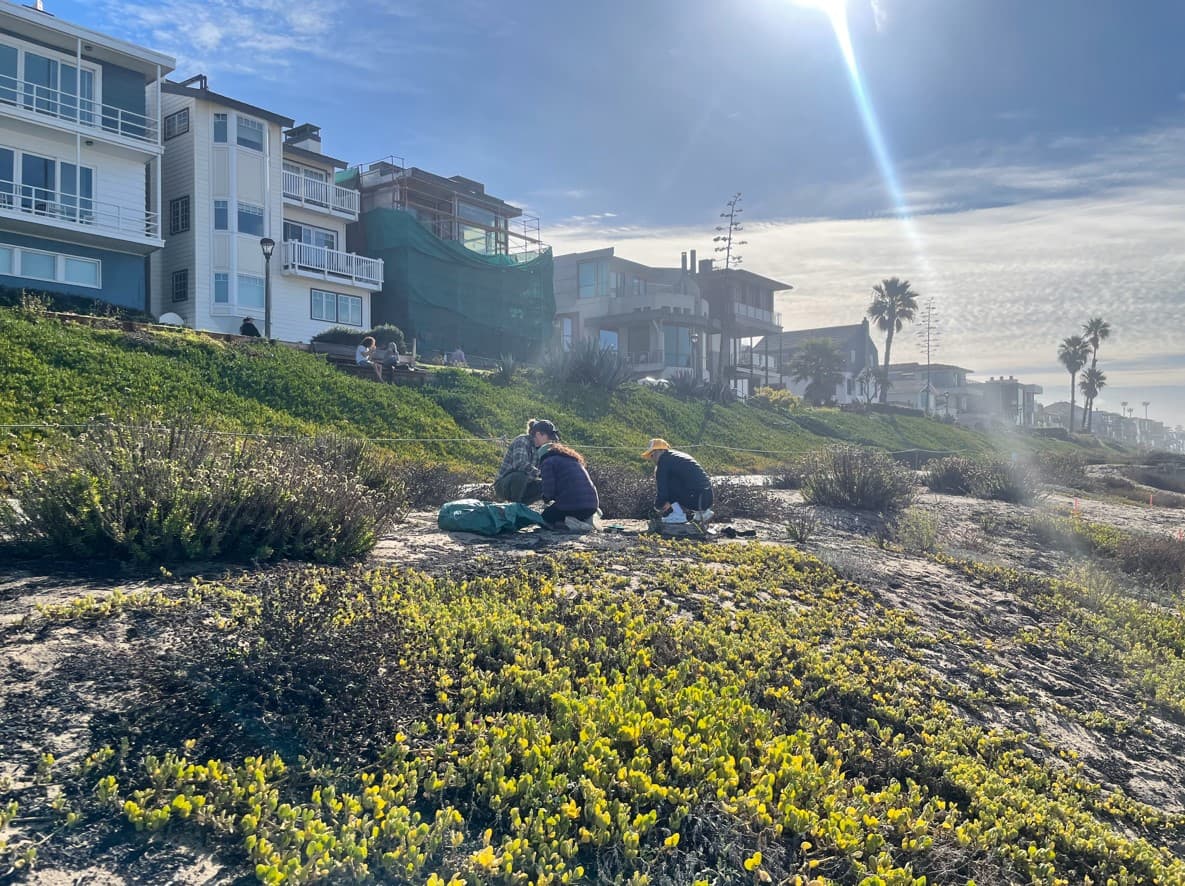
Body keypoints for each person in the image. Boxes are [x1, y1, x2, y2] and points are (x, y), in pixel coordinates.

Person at [535, 424, 599, 529]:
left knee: (545, 518)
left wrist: (545, 499)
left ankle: (568, 524)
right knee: (563, 508)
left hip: (573, 506)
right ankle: (579, 521)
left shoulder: (548, 462)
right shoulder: (572, 460)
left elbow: (549, 490)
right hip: (592, 507)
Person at [641, 438, 713, 524]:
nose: (652, 459)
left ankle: (679, 515)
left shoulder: (663, 462)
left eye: (652, 455)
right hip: (707, 497)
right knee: (680, 480)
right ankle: (702, 512)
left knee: (669, 482)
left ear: (659, 451)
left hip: (696, 499)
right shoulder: (677, 456)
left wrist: (657, 507)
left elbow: (663, 491)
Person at [493, 419, 546, 503]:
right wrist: (540, 473)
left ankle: (522, 506)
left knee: (544, 485)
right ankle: (515, 505)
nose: (550, 439)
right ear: (538, 434)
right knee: (520, 476)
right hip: (504, 484)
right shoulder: (522, 441)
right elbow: (520, 463)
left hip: (524, 484)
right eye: (548, 436)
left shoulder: (540, 450)